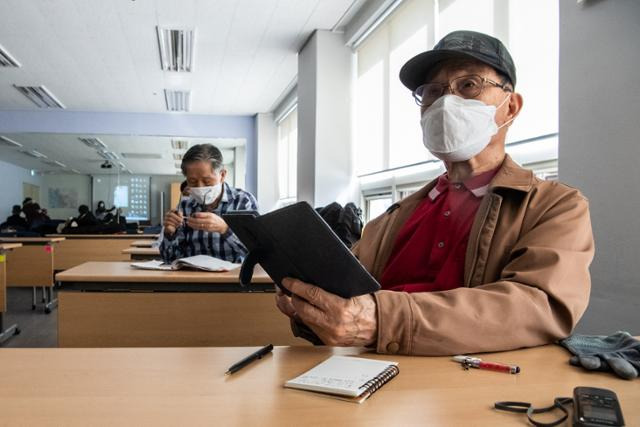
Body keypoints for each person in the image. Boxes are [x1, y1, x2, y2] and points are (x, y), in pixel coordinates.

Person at [275, 30, 594, 356]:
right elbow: (346, 304)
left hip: (475, 389)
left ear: (510, 106)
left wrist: (382, 319)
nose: (445, 102)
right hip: (367, 380)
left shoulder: (554, 206)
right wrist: (310, 307)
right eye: (432, 91)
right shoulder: (392, 218)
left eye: (468, 85)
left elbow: (540, 306)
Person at [160, 144, 258, 263]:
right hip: (192, 278)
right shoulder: (185, 206)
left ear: (222, 175)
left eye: (207, 181)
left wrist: (225, 229)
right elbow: (168, 259)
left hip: (233, 279)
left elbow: (258, 253)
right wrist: (169, 234)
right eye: (192, 182)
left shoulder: (243, 201)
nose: (200, 187)